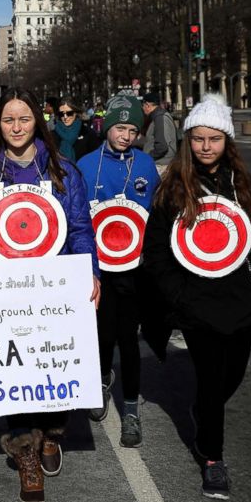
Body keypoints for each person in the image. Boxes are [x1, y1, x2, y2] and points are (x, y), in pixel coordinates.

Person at [0, 88, 99, 502]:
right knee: (14, 374)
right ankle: (26, 454)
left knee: (53, 364)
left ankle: (51, 434)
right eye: (8, 120)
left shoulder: (62, 170)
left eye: (25, 119)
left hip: (55, 287)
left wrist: (90, 272)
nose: (16, 128)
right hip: (3, 292)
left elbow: (80, 229)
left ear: (38, 122)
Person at [143, 93, 251, 500]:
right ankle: (212, 458)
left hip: (241, 300)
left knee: (231, 376)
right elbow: (154, 252)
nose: (206, 147)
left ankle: (204, 416)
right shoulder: (173, 189)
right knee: (209, 378)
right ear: (189, 141)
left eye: (214, 139)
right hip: (196, 302)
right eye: (199, 139)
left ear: (227, 142)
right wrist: (180, 295)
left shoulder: (247, 187)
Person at [76, 96, 160, 447]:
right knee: (101, 334)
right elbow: (77, 219)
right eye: (120, 127)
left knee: (130, 339)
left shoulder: (145, 165)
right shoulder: (84, 165)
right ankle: (98, 380)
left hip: (135, 268)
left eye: (132, 130)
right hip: (98, 268)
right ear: (106, 126)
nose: (126, 135)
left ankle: (131, 410)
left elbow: (156, 213)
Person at [50, 97, 101, 162]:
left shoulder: (88, 133)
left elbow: (96, 159)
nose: (65, 117)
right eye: (61, 114)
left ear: (76, 113)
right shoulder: (52, 135)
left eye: (69, 113)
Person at [137, 92, 177, 161]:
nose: (143, 109)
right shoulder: (156, 116)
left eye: (143, 106)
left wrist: (146, 158)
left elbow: (162, 147)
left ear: (147, 105)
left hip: (161, 164)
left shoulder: (160, 117)